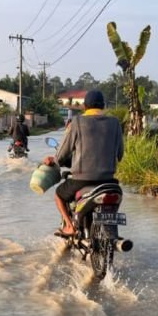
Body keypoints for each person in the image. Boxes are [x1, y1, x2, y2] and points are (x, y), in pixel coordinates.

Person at [42, 90, 124, 237]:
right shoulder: (115, 123)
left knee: (58, 195)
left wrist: (52, 161)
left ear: (85, 106)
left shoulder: (77, 122)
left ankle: (69, 226)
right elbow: (120, 155)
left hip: (81, 180)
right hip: (109, 181)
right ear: (103, 106)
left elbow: (60, 156)